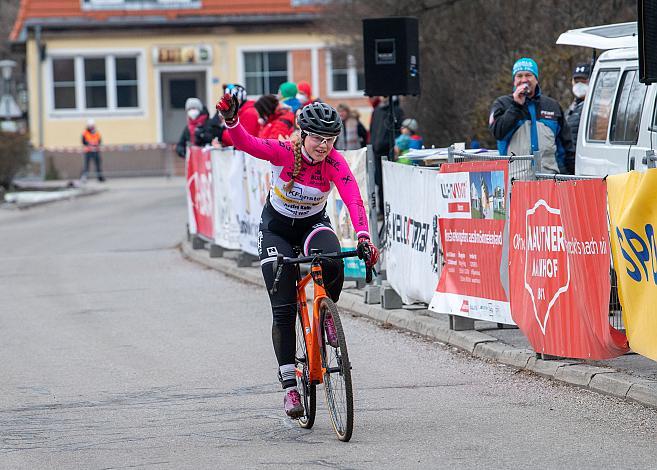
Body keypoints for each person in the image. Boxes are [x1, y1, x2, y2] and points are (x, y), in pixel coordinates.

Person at [217, 94, 379, 418]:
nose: (324, 146)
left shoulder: (334, 163)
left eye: (330, 140)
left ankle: (325, 316)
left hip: (312, 226)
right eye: (318, 138)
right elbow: (248, 144)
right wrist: (232, 122)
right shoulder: (284, 152)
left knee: (333, 258)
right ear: (303, 135)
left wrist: (363, 237)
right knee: (284, 307)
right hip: (276, 230)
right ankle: (290, 386)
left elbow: (354, 200)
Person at [489, 57, 575, 174]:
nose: (524, 80)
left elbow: (565, 148)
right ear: (514, 80)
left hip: (549, 180)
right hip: (515, 180)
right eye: (519, 76)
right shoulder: (502, 103)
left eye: (528, 75)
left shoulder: (552, 106)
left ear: (536, 79)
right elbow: (498, 133)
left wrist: (570, 176)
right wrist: (516, 106)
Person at [369, 96, 404, 215]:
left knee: (390, 182)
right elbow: (372, 130)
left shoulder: (397, 111)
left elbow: (399, 130)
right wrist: (372, 144)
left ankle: (393, 209)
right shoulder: (377, 111)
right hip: (377, 151)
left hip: (389, 151)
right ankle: (382, 210)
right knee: (380, 182)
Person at [566, 63, 591, 148]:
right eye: (577, 82)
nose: (579, 85)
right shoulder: (573, 107)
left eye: (583, 81)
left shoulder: (594, 107)